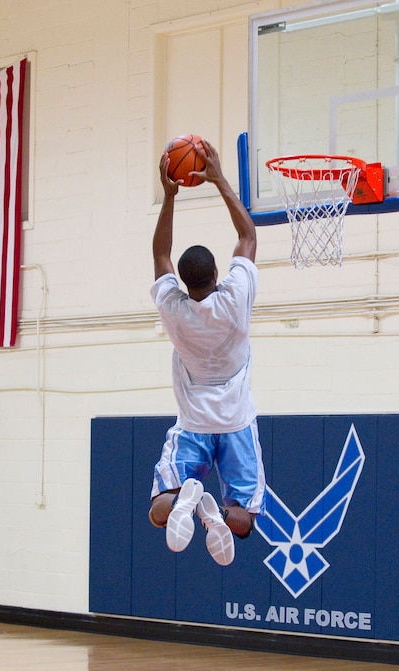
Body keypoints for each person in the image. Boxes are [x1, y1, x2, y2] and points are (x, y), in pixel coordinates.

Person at [148, 139, 266, 566]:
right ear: (218, 274)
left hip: (193, 423)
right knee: (248, 517)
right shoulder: (235, 299)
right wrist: (218, 178)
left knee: (158, 508)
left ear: (183, 282)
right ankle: (214, 513)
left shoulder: (175, 311)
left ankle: (186, 501)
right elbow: (247, 235)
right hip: (236, 422)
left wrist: (170, 195)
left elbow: (161, 253)